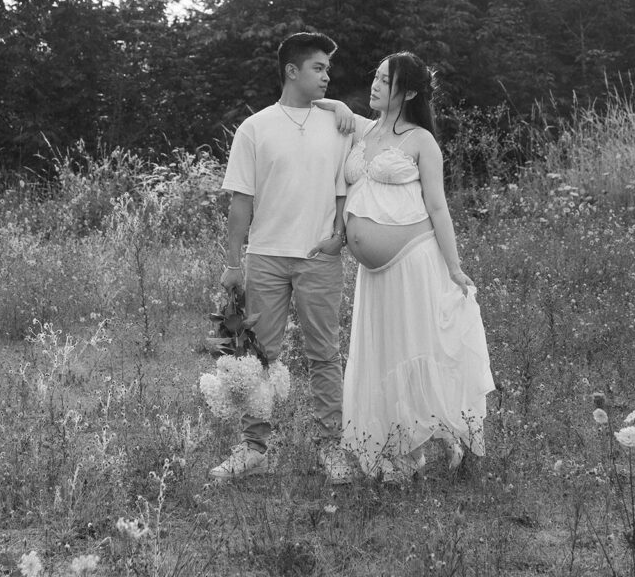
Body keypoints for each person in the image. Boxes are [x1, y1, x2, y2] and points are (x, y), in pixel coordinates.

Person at [314, 51, 494, 482]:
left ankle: (441, 437)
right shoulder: (366, 130)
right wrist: (329, 103)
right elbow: (342, 126)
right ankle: (396, 449)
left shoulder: (420, 140)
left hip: (414, 259)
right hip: (373, 274)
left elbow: (438, 205)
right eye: (374, 76)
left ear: (409, 91)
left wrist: (454, 267)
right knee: (383, 354)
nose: (374, 85)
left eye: (385, 80)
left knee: (416, 348)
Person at [209, 32, 355, 484]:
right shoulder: (255, 128)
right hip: (267, 257)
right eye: (319, 68)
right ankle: (255, 448)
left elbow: (345, 191)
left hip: (318, 257)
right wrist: (233, 264)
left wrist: (340, 237)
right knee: (258, 355)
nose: (327, 76)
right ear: (292, 71)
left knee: (324, 354)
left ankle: (331, 447)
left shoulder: (337, 125)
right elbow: (240, 202)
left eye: (328, 69)